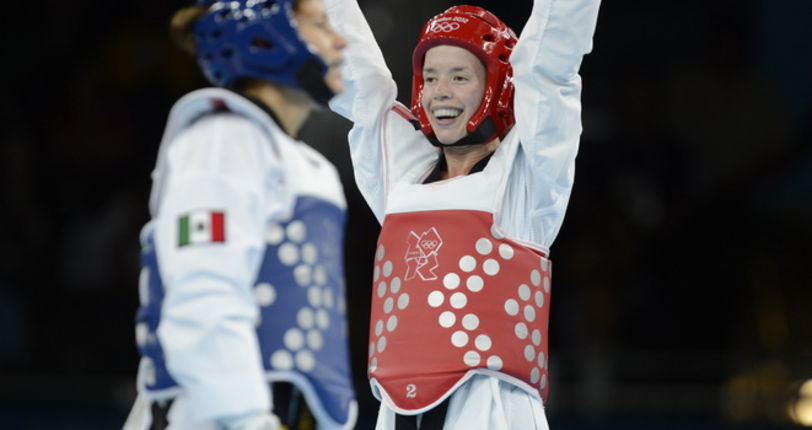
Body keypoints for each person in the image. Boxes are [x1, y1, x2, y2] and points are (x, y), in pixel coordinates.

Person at [324, 0, 600, 428]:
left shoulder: (525, 179)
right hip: (396, 408)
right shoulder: (403, 177)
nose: (440, 92)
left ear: (498, 87)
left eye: (460, 77)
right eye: (431, 77)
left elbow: (549, 68)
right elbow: (362, 87)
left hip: (490, 405)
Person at [123, 1, 357, 429]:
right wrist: (245, 417)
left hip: (287, 409)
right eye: (322, 26)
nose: (340, 41)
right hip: (209, 412)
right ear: (270, 36)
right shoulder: (222, 141)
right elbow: (203, 292)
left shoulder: (304, 166)